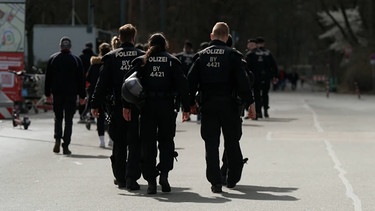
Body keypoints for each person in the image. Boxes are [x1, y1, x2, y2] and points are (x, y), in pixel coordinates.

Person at [188, 22, 255, 193]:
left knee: (211, 144)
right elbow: (243, 81)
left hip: (208, 105)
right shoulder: (233, 55)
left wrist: (188, 105)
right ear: (226, 37)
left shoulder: (201, 56)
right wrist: (250, 103)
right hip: (229, 105)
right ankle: (232, 178)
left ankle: (215, 182)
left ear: (211, 36)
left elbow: (190, 82)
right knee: (232, 142)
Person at [124, 33, 190, 194]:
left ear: (149, 44)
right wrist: (187, 108)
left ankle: (151, 181)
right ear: (165, 45)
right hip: (167, 107)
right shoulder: (172, 61)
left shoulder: (141, 61)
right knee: (166, 141)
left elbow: (128, 84)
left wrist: (127, 105)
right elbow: (183, 85)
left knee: (148, 144)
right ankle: (164, 176)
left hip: (147, 108)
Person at [90, 24, 145, 190]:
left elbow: (101, 84)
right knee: (134, 143)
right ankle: (131, 178)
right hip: (137, 107)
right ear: (134, 38)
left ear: (119, 38)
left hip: (116, 107)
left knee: (119, 143)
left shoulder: (111, 57)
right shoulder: (141, 56)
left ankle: (120, 177)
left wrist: (95, 104)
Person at [45, 36, 86, 155]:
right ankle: (66, 145)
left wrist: (48, 93)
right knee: (69, 120)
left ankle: (57, 138)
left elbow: (48, 78)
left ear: (60, 46)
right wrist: (82, 96)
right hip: (71, 95)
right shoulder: (76, 60)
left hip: (57, 94)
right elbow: (81, 80)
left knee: (58, 117)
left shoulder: (53, 59)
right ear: (70, 47)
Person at [85, 42, 111, 148]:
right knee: (110, 117)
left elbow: (88, 80)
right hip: (109, 95)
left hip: (96, 94)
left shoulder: (94, 65)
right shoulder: (110, 64)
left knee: (99, 118)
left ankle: (102, 141)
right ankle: (111, 139)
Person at [175, 40, 195, 121]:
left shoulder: (194, 57)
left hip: (188, 79)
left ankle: (187, 112)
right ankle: (180, 109)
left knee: (186, 96)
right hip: (182, 79)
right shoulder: (179, 56)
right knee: (181, 96)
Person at [78, 42, 97, 123]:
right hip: (92, 81)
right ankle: (92, 116)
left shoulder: (80, 57)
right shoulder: (95, 57)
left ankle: (81, 116)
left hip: (82, 80)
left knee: (82, 97)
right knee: (91, 98)